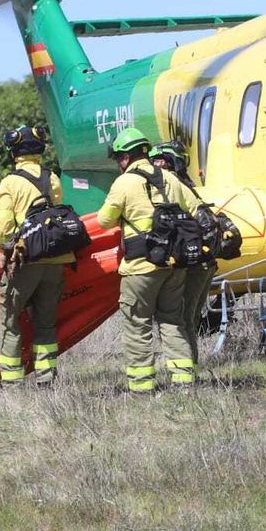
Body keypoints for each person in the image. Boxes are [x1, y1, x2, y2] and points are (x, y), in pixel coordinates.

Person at [95, 127, 201, 393]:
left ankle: (142, 387)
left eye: (118, 158)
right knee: (173, 321)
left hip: (140, 268)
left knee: (137, 325)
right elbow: (194, 207)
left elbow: (103, 221)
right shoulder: (169, 178)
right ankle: (184, 382)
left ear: (126, 157)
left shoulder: (124, 182)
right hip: (173, 265)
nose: (118, 164)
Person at [0, 124, 72, 387]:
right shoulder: (53, 178)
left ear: (13, 152)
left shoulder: (10, 183)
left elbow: (3, 228)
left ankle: (12, 385)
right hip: (54, 261)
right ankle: (46, 381)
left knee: (10, 322)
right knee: (46, 324)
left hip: (24, 262)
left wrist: (6, 251)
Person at [151, 140, 217, 367]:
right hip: (205, 263)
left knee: (181, 320)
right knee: (189, 318)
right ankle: (189, 369)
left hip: (194, 265)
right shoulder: (185, 186)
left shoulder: (172, 187)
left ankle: (186, 372)